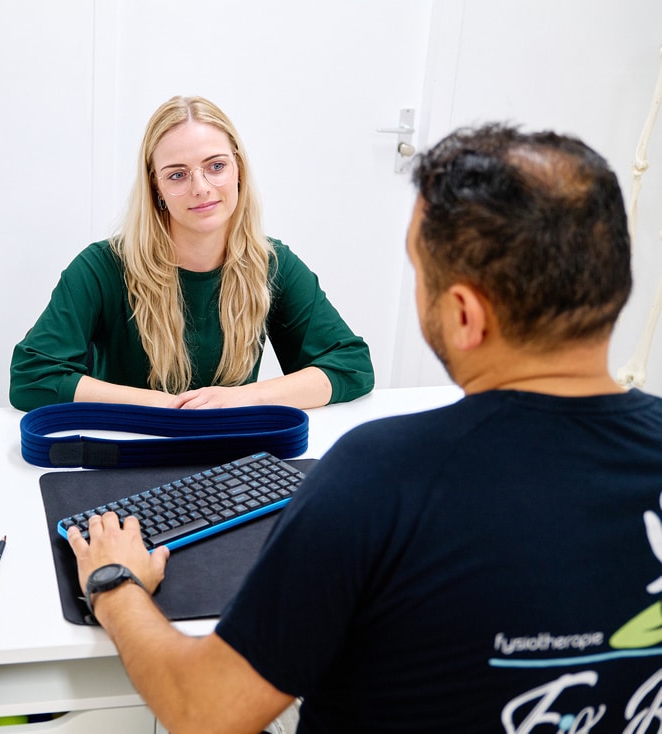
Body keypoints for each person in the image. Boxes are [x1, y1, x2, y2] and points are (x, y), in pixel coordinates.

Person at [65, 123, 662, 733]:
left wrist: (113, 583)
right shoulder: (106, 267)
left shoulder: (377, 478)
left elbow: (201, 711)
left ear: (462, 314)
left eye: (419, 272)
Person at [9, 96, 373, 412]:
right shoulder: (101, 267)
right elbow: (31, 377)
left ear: (238, 171)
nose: (201, 188)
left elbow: (351, 366)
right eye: (178, 175)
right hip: (129, 451)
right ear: (156, 187)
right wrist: (164, 406)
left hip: (227, 456)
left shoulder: (272, 263)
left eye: (216, 166)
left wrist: (245, 397)